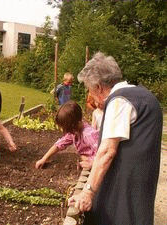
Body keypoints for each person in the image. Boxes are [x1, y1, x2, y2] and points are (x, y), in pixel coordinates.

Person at [68, 52, 162, 225]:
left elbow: (107, 151)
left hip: (125, 187)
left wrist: (87, 191)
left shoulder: (119, 101)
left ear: (97, 86)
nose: (92, 97)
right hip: (142, 182)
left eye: (89, 89)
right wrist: (94, 163)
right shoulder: (146, 96)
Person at [35, 100, 99, 170]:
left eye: (65, 127)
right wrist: (44, 159)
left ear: (73, 124)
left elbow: (102, 154)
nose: (64, 130)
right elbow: (60, 144)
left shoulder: (89, 134)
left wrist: (91, 163)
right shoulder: (75, 131)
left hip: (96, 166)